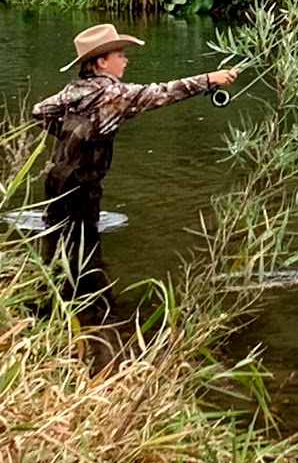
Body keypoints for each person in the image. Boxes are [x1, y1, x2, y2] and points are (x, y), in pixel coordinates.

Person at [31, 23, 237, 306]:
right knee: (86, 249)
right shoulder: (114, 95)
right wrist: (208, 79)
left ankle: (49, 304)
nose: (125, 60)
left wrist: (76, 134)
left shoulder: (74, 91)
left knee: (56, 244)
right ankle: (97, 309)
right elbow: (162, 92)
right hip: (81, 186)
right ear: (102, 62)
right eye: (120, 55)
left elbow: (40, 111)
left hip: (55, 179)